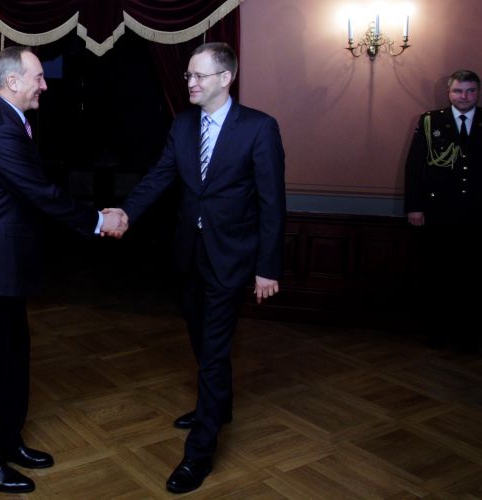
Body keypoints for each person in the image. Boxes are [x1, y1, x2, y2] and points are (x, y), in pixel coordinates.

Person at [107, 42, 286, 493]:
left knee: (215, 348)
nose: (189, 82)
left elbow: (272, 203)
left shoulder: (259, 128)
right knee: (201, 341)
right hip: (189, 254)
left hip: (232, 258)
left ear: (225, 78)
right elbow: (160, 175)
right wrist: (127, 212)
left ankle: (199, 453)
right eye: (188, 75)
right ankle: (218, 406)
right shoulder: (183, 125)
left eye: (199, 76)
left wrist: (267, 268)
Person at [0, 46, 126, 494]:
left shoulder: (4, 120)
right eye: (39, 77)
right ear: (12, 82)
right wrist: (98, 221)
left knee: (11, 361)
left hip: (1, 268)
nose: (45, 85)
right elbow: (40, 193)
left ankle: (8, 441)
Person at [404, 69, 482, 351]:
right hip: (439, 211)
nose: (464, 96)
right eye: (458, 91)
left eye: (470, 91)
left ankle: (467, 336)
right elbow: (415, 166)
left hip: (478, 212)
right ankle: (438, 333)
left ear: (478, 92)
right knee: (438, 274)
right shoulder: (431, 121)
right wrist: (415, 206)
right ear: (449, 93)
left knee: (474, 275)